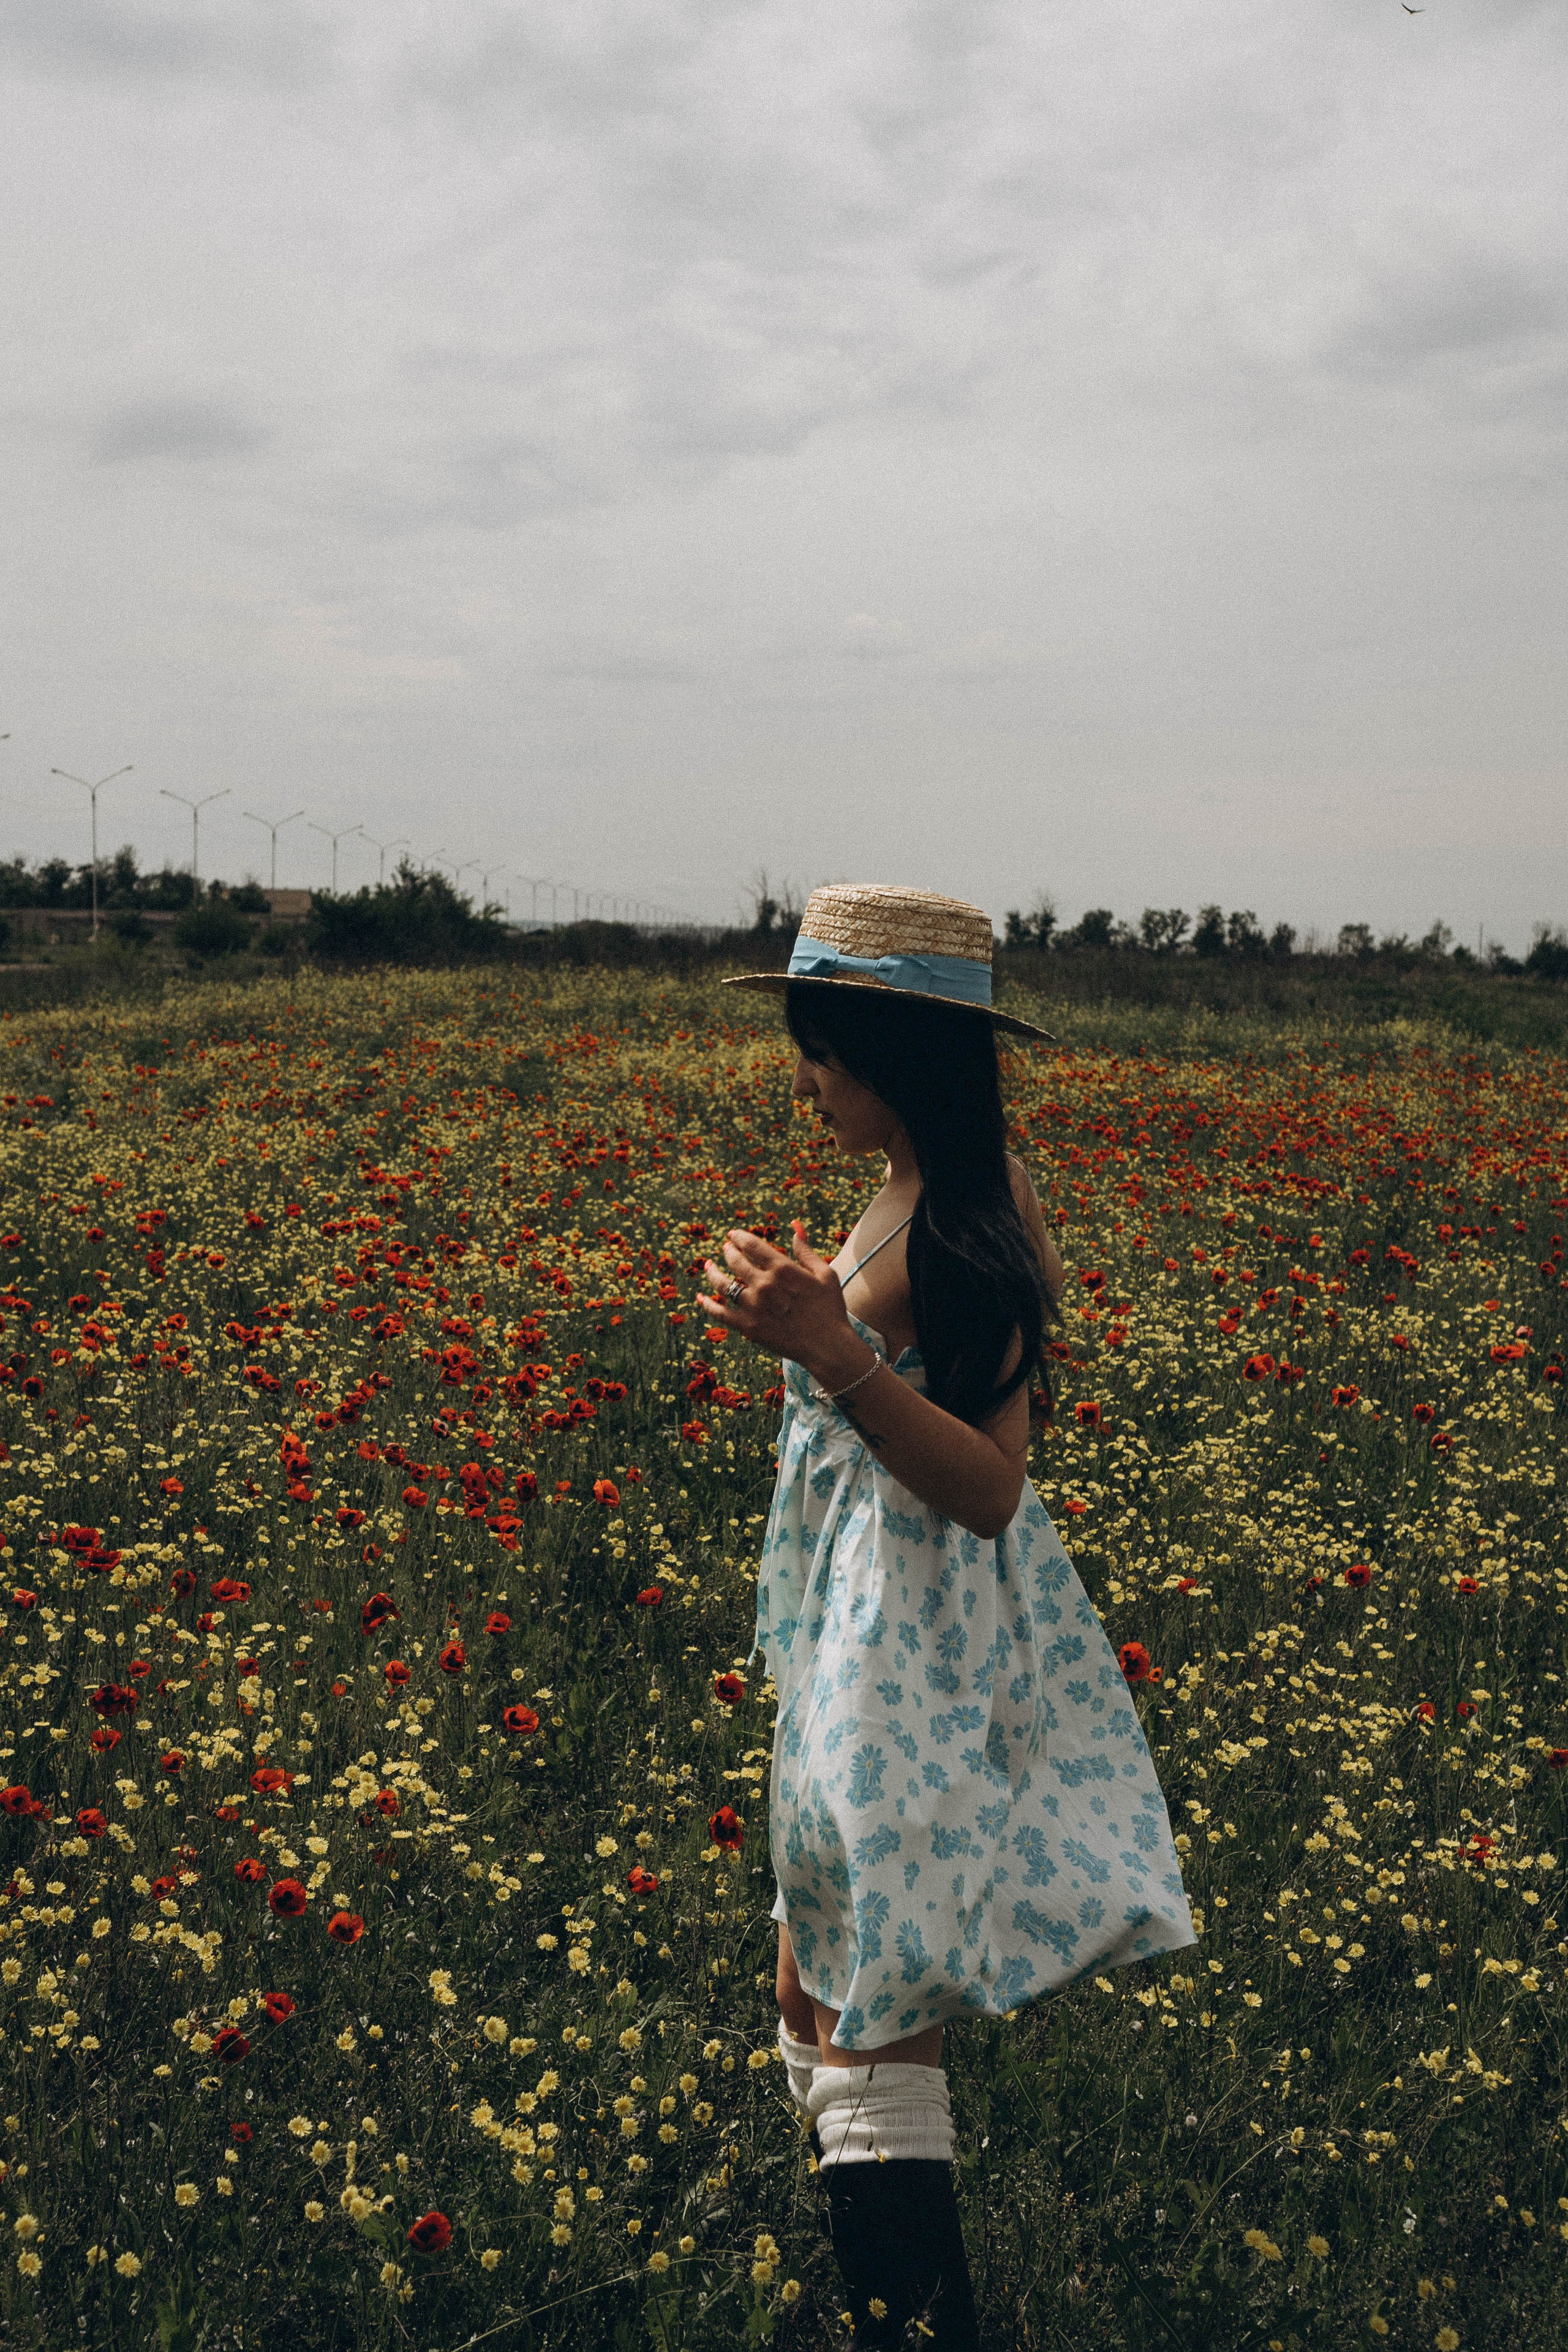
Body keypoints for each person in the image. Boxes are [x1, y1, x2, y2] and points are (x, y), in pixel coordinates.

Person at [702, 884, 1194, 2349]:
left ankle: (916, 2323)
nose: (806, 1083)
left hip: (910, 1642)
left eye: (823, 1054)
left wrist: (828, 1345)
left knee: (870, 1991)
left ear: (891, 1056)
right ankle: (874, 2302)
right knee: (810, 1964)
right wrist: (818, 1321)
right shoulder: (922, 1184)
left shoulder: (970, 1218)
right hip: (860, 1617)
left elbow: (987, 1485)